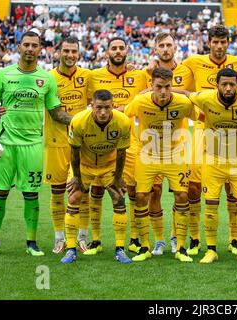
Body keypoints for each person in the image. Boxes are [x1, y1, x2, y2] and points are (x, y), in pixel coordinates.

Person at [0, 31, 72, 257]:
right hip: (5, 145)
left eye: (35, 45)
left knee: (31, 194)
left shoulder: (47, 78)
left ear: (40, 49)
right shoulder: (3, 75)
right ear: (19, 47)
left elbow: (56, 113)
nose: (30, 49)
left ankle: (31, 242)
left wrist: (80, 120)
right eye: (26, 45)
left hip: (33, 144)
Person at [182, 25, 237, 257]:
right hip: (203, 131)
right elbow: (176, 83)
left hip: (233, 133)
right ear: (209, 42)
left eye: (223, 42)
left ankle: (234, 239)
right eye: (215, 42)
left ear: (228, 42)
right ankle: (195, 238)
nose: (219, 46)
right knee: (194, 187)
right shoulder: (193, 62)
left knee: (234, 189)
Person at [189, 68, 237, 264]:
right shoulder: (205, 98)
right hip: (213, 161)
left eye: (232, 84)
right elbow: (186, 95)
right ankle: (211, 250)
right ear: (217, 85)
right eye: (224, 84)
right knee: (211, 207)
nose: (228, 88)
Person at [125, 67, 198, 262]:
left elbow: (202, 116)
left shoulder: (183, 103)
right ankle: (146, 247)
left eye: (167, 86)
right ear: (151, 86)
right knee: (141, 197)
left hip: (176, 156)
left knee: (183, 195)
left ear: (172, 85)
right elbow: (124, 116)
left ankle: (181, 247)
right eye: (159, 87)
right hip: (148, 156)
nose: (163, 91)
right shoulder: (141, 101)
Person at [86, 37, 147, 256]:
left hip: (128, 144)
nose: (118, 51)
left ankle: (132, 239)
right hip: (100, 144)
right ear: (107, 52)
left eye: (122, 48)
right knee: (97, 190)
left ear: (127, 52)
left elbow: (158, 84)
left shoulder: (139, 75)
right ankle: (96, 240)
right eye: (114, 48)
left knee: (130, 191)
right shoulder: (94, 77)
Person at [61, 89, 131, 264]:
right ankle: (70, 249)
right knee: (74, 196)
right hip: (84, 165)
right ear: (92, 106)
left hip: (109, 165)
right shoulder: (78, 122)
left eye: (107, 108)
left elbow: (122, 152)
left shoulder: (122, 122)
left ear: (113, 106)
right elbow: (74, 152)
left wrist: (118, 177)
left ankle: (120, 249)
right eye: (99, 107)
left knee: (119, 199)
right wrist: (76, 177)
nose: (103, 112)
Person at [143, 32, 195, 256]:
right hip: (152, 143)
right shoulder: (145, 72)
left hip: (178, 143)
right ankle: (159, 240)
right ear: (155, 48)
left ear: (175, 48)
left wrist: (174, 91)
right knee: (153, 192)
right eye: (161, 45)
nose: (165, 49)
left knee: (180, 193)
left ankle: (176, 237)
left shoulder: (187, 70)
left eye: (169, 45)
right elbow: (141, 97)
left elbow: (194, 95)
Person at [46, 36, 91, 254]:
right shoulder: (49, 79)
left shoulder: (87, 76)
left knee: (81, 192)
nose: (70, 55)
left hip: (80, 146)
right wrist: (80, 121)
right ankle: (59, 238)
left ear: (79, 54)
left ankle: (82, 237)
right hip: (55, 144)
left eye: (74, 51)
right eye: (66, 51)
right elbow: (55, 114)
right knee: (56, 193)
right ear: (58, 52)